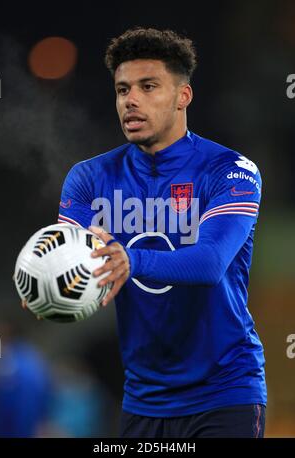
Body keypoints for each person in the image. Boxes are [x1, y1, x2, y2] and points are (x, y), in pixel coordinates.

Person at [58, 27, 267, 438]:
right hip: (142, 400)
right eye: (122, 90)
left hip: (224, 394)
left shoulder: (230, 171)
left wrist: (129, 259)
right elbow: (74, 264)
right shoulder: (88, 179)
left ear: (182, 96)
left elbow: (210, 263)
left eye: (148, 86)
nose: (130, 100)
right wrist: (49, 287)